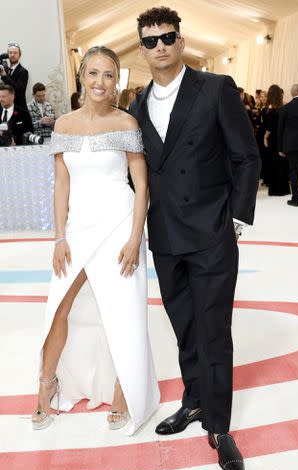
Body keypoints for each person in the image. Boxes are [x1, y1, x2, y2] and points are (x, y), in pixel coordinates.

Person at [130, 6, 260, 470]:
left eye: (167, 37)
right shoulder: (137, 106)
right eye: (149, 41)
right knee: (184, 326)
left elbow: (246, 156)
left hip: (211, 234)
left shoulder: (215, 88)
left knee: (213, 330)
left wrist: (236, 218)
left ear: (181, 41)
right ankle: (194, 401)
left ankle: (220, 427)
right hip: (164, 237)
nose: (159, 46)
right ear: (142, 49)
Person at [31, 45, 160, 435]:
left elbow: (141, 187)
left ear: (115, 81)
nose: (100, 82)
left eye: (108, 75)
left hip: (120, 224)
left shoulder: (127, 124)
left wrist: (136, 238)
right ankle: (47, 385)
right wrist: (59, 238)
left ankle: (126, 388)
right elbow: (61, 185)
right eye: (93, 74)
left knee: (123, 311)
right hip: (78, 229)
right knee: (59, 309)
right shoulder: (64, 126)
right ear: (82, 76)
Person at [278, 84, 298, 206]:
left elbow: (280, 130)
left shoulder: (286, 108)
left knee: (294, 171)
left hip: (291, 145)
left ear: (292, 94)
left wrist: (280, 148)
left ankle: (296, 199)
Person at [264, 84, 290, 196]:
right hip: (283, 139)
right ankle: (284, 189)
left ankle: (275, 190)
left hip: (273, 140)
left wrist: (265, 138)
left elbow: (269, 128)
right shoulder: (284, 109)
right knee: (283, 163)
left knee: (273, 164)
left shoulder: (271, 110)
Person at [0, 42, 29, 110]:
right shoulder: (5, 69)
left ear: (19, 55)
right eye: (10, 53)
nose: (12, 55)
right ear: (8, 55)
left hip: (19, 109)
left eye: (15, 53)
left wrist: (4, 75)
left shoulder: (23, 72)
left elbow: (18, 90)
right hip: (5, 108)